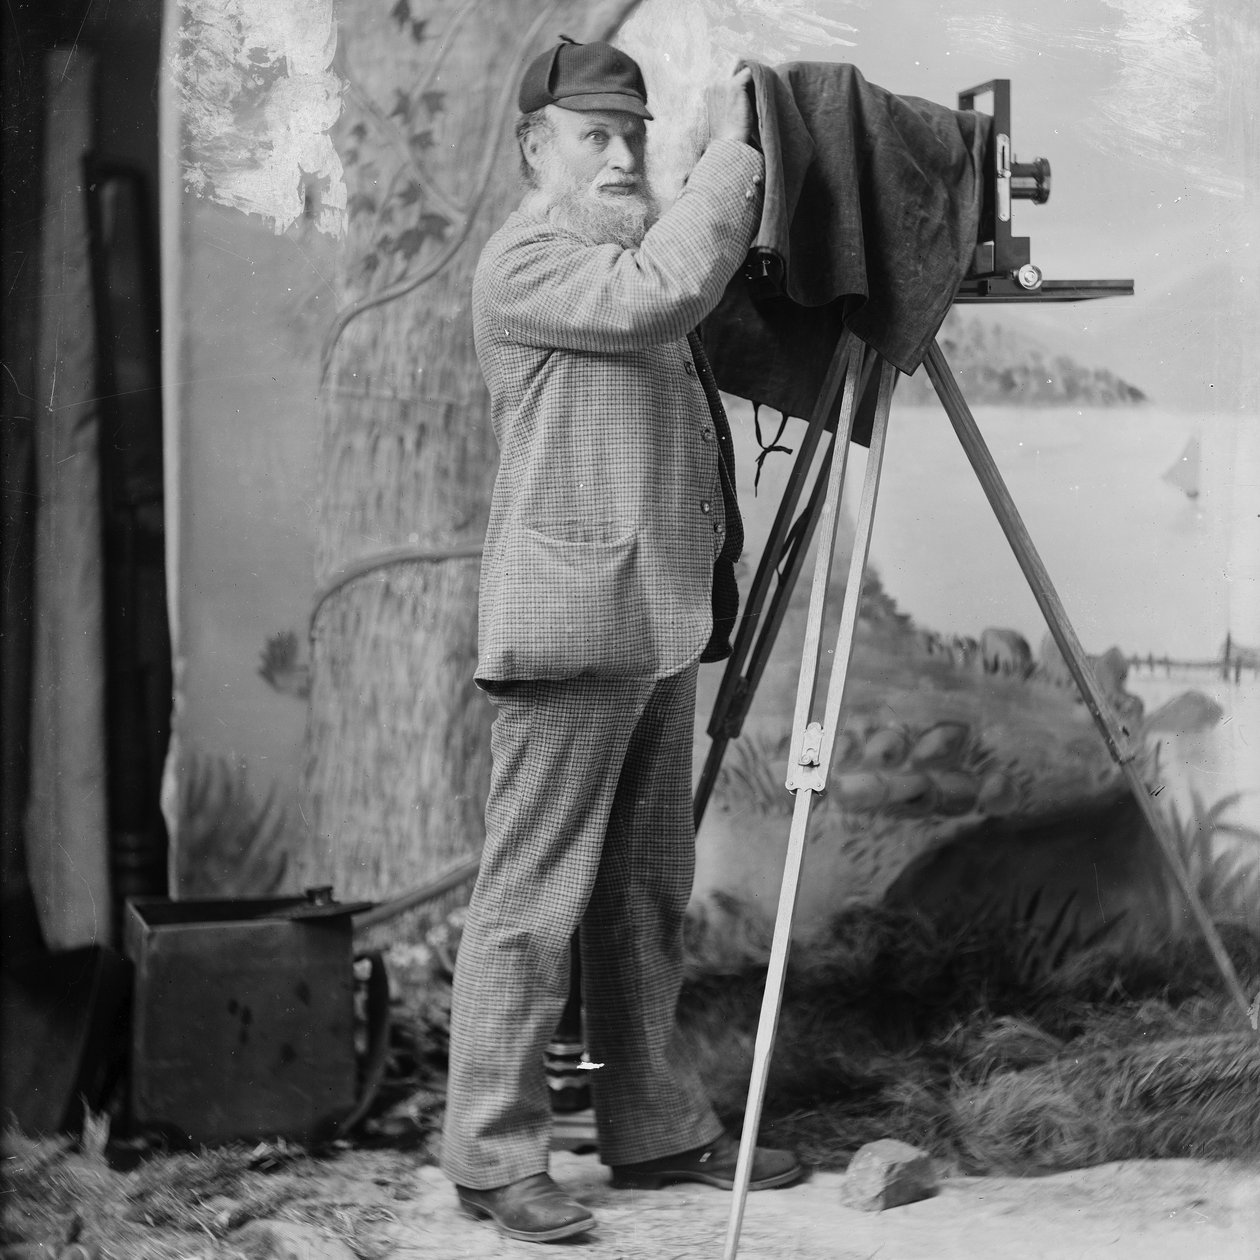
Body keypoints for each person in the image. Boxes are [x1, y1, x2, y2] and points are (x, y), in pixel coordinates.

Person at [441, 36, 802, 1243]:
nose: (620, 153)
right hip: (570, 626)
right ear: (535, 148)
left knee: (643, 895)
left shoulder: (625, 249)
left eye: (635, 135)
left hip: (652, 620)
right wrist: (737, 152)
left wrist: (707, 158)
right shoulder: (532, 259)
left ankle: (651, 1129)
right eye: (594, 134)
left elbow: (676, 270)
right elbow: (667, 286)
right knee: (531, 903)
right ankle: (492, 1160)